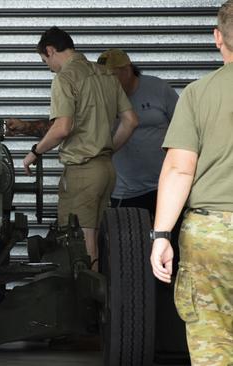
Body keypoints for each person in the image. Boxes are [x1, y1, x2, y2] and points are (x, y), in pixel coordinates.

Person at [6, 27, 138, 268]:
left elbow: (62, 127)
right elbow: (130, 121)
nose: (48, 67)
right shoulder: (105, 74)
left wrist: (34, 153)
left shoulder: (65, 78)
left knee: (83, 246)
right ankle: (103, 299)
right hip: (106, 171)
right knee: (96, 239)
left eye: (45, 61)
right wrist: (106, 149)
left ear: (50, 50)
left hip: (82, 173)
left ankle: (90, 303)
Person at [150, 1, 233, 364]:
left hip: (211, 236)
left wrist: (161, 236)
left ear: (217, 37)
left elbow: (179, 170)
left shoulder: (199, 94)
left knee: (213, 343)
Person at [97, 49, 179, 217]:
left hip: (165, 184)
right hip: (126, 191)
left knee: (171, 240)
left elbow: (183, 126)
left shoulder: (158, 88)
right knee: (128, 241)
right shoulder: (101, 97)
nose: (105, 82)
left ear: (127, 70)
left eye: (110, 76)